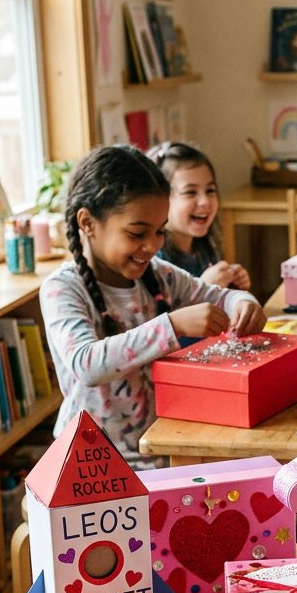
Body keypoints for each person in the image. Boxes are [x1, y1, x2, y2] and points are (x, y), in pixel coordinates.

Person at [40, 144, 266, 464]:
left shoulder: (158, 276)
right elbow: (86, 363)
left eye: (160, 231)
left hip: (162, 448)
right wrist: (172, 325)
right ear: (88, 223)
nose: (151, 245)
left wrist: (243, 302)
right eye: (137, 233)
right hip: (91, 466)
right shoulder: (62, 289)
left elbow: (222, 296)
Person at [148, 139, 251, 289]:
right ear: (160, 199)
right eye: (190, 192)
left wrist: (232, 285)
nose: (204, 201)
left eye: (210, 191)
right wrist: (203, 287)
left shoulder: (204, 248)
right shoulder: (156, 261)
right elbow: (165, 311)